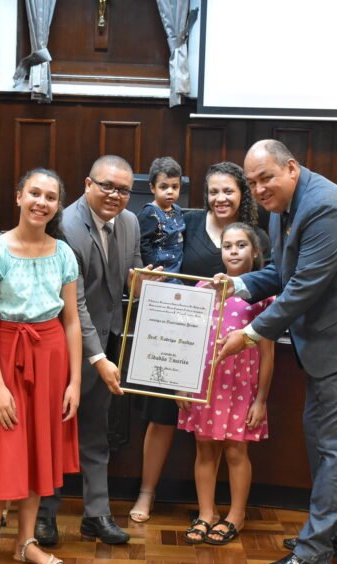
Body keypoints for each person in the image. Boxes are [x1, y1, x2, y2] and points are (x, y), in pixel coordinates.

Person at [217, 139, 337, 564]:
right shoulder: (284, 207)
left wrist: (249, 333)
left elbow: (303, 288)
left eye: (267, 178)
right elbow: (282, 273)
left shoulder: (325, 209)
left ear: (292, 169)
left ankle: (314, 551)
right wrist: (236, 287)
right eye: (253, 182)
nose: (259, 189)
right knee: (320, 434)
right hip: (330, 340)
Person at [129, 161, 270, 523]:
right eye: (213, 191)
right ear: (204, 195)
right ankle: (147, 493)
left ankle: (220, 511)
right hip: (177, 337)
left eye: (229, 191)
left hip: (229, 357)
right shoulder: (185, 222)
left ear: (242, 194)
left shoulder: (252, 233)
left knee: (222, 440)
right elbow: (158, 258)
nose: (220, 198)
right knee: (162, 416)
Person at [0, 169, 82, 564]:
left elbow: (71, 322)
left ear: (57, 205)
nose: (42, 202)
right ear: (18, 197)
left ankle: (26, 542)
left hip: (51, 358)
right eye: (35, 193)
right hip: (9, 355)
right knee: (3, 454)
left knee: (36, 455)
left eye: (51, 196)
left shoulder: (64, 254)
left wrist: (74, 381)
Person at [34, 155, 148, 547]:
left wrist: (151, 284)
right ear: (87, 183)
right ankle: (44, 517)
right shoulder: (63, 224)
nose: (116, 195)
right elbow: (74, 302)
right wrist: (97, 357)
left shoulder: (131, 222)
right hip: (64, 345)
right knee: (55, 432)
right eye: (107, 186)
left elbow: (132, 277)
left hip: (107, 342)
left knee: (96, 432)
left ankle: (96, 515)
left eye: (124, 190)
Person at [178, 223, 274, 545]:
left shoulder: (263, 297)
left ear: (255, 251)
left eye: (241, 245)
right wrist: (181, 384)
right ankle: (206, 512)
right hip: (203, 385)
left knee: (236, 451)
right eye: (227, 245)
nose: (233, 251)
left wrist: (261, 400)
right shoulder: (204, 288)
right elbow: (187, 341)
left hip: (240, 388)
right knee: (204, 449)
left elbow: (268, 354)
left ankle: (236, 514)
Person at [137, 156, 185, 276]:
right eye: (163, 187)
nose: (170, 191)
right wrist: (154, 269)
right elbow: (143, 244)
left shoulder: (178, 211)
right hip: (157, 273)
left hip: (176, 271)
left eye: (175, 187)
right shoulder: (149, 213)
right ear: (152, 188)